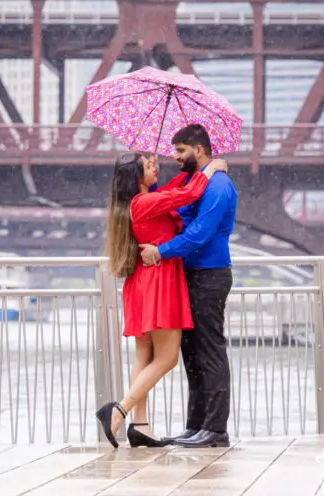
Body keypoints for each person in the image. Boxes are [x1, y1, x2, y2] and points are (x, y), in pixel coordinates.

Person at [95, 150, 227, 449]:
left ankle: (140, 426)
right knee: (166, 358)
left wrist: (191, 169)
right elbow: (189, 193)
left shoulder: (136, 202)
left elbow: (176, 187)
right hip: (159, 282)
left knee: (143, 356)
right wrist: (212, 168)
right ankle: (119, 410)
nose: (155, 166)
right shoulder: (145, 202)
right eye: (148, 165)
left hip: (142, 281)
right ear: (137, 176)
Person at [140, 123, 238, 448]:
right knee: (191, 352)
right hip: (191, 275)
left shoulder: (219, 186)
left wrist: (160, 251)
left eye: (181, 151)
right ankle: (195, 426)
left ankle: (215, 429)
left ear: (199, 150)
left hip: (210, 276)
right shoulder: (194, 182)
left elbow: (199, 234)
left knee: (210, 349)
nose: (176, 157)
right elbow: (170, 204)